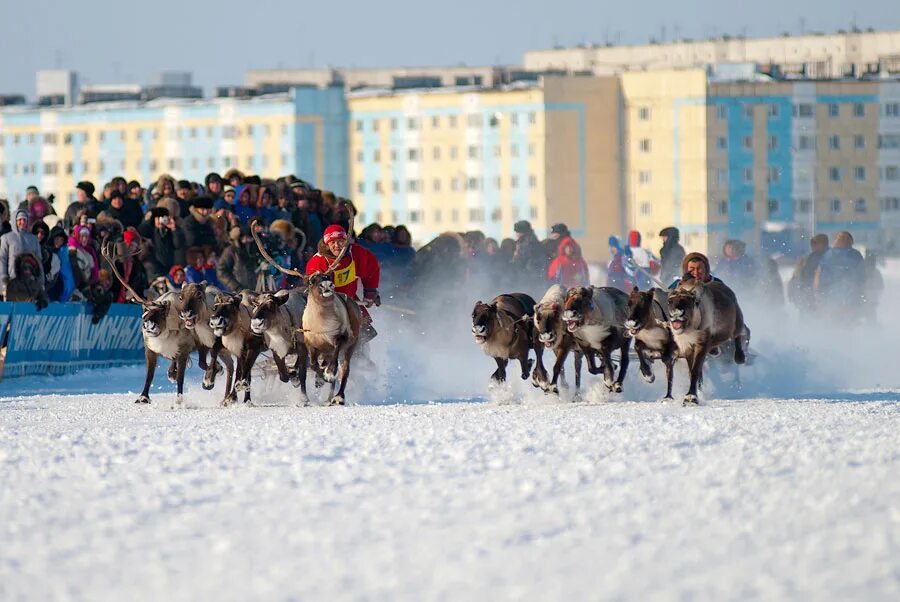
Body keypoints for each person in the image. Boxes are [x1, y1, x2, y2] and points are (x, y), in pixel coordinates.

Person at [305, 224, 381, 341]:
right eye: (332, 243)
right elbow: (312, 283)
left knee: (362, 334)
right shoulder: (318, 261)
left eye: (340, 241)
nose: (337, 246)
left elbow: (372, 268)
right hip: (326, 306)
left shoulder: (356, 253)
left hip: (350, 300)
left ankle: (362, 356)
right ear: (327, 244)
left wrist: (370, 292)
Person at [814, 231, 865, 319]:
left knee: (833, 326)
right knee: (850, 326)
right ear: (850, 242)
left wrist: (818, 295)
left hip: (830, 299)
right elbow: (863, 277)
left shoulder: (827, 255)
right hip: (852, 300)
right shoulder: (856, 255)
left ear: (835, 241)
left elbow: (818, 276)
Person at [0, 209, 45, 299]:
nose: (22, 222)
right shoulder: (6, 238)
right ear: (14, 221)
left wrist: (41, 282)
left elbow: (38, 262)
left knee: (28, 310)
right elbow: (2, 260)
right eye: (19, 220)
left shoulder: (33, 239)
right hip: (12, 281)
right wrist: (3, 280)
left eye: (24, 220)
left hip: (30, 282)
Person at [138, 207, 185, 280]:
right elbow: (141, 231)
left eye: (163, 218)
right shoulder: (149, 230)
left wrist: (174, 229)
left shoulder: (172, 231)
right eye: (158, 218)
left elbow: (178, 244)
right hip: (155, 271)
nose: (161, 221)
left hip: (170, 270)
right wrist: (147, 219)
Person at [788, 234, 829, 311]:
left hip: (809, 299)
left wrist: (794, 296)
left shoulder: (807, 259)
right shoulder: (832, 257)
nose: (812, 247)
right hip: (825, 299)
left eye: (814, 245)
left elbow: (796, 278)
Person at [217, 225, 260, 292]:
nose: (246, 240)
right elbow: (221, 272)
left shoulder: (256, 249)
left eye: (249, 238)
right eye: (244, 238)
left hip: (256, 288)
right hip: (237, 291)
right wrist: (236, 286)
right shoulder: (231, 251)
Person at [511, 220, 548, 292]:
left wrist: (516, 257)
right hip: (529, 277)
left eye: (518, 232)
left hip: (528, 277)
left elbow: (525, 262)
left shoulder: (529, 244)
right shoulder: (528, 243)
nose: (517, 234)